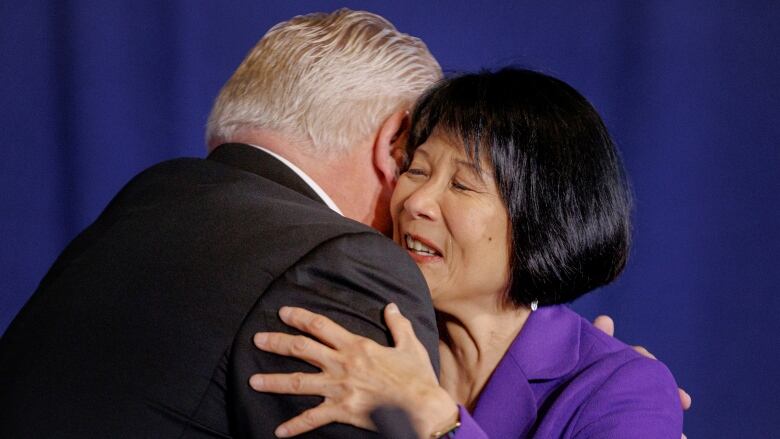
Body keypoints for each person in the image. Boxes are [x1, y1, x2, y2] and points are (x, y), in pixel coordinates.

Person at [0, 9, 443, 438]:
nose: (423, 202)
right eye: (421, 165)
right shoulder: (344, 264)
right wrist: (438, 420)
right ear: (394, 143)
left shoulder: (149, 198)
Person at [247, 68, 684, 438]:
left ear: (542, 222)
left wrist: (437, 421)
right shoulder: (362, 344)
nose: (415, 201)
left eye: (461, 184)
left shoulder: (621, 389)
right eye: (416, 170)